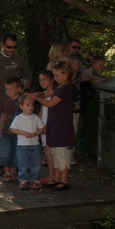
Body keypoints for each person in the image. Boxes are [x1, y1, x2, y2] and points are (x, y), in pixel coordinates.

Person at [0, 34, 32, 175]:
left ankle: (18, 165)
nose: (12, 50)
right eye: (9, 47)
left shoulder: (19, 59)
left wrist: (26, 92)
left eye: (14, 47)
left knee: (19, 133)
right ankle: (1, 164)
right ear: (2, 45)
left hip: (18, 102)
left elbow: (28, 76)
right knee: (2, 132)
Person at [31, 61, 76, 191]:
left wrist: (37, 98)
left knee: (61, 155)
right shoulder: (59, 87)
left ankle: (64, 180)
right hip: (55, 126)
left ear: (66, 74)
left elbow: (51, 103)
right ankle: (56, 178)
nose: (55, 78)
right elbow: (46, 94)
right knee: (55, 154)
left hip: (62, 127)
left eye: (57, 75)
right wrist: (36, 94)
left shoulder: (66, 88)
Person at [10, 93, 45, 189]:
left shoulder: (36, 117)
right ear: (21, 106)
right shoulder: (18, 118)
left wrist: (35, 134)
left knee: (35, 163)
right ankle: (23, 179)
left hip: (35, 145)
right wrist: (23, 133)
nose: (31, 107)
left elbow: (42, 128)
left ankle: (34, 179)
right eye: (28, 104)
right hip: (23, 146)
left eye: (32, 104)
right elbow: (13, 129)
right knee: (23, 164)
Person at [0, 77, 23, 182]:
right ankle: (7, 173)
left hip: (19, 132)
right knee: (5, 151)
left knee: (17, 152)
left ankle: (15, 171)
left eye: (11, 89)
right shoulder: (4, 102)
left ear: (19, 88)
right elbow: (2, 116)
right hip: (6, 131)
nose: (8, 91)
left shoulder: (23, 101)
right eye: (7, 89)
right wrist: (0, 129)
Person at [38, 70, 58, 184]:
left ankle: (54, 175)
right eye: (40, 80)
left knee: (51, 151)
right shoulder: (43, 95)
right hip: (44, 126)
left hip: (52, 126)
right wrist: (40, 125)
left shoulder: (55, 94)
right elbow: (42, 111)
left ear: (52, 80)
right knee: (47, 151)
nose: (42, 82)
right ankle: (52, 174)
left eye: (44, 79)